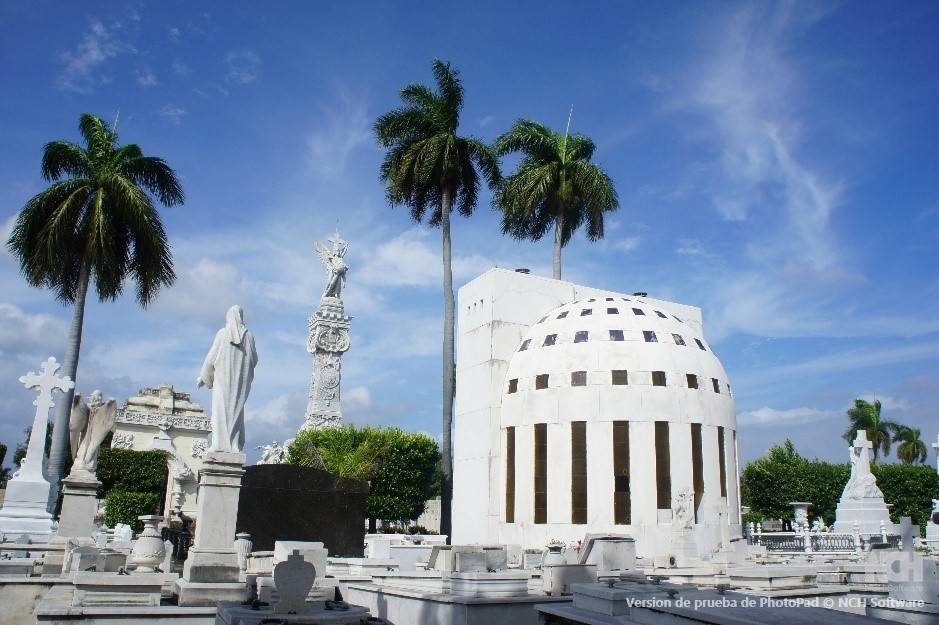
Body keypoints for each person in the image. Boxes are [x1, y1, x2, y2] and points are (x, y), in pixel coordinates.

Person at [197, 305, 259, 453]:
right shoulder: (249, 336)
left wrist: (204, 377)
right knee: (236, 413)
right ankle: (233, 445)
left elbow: (211, 358)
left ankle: (219, 445)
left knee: (220, 412)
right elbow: (254, 360)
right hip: (239, 386)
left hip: (222, 383)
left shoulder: (223, 334)